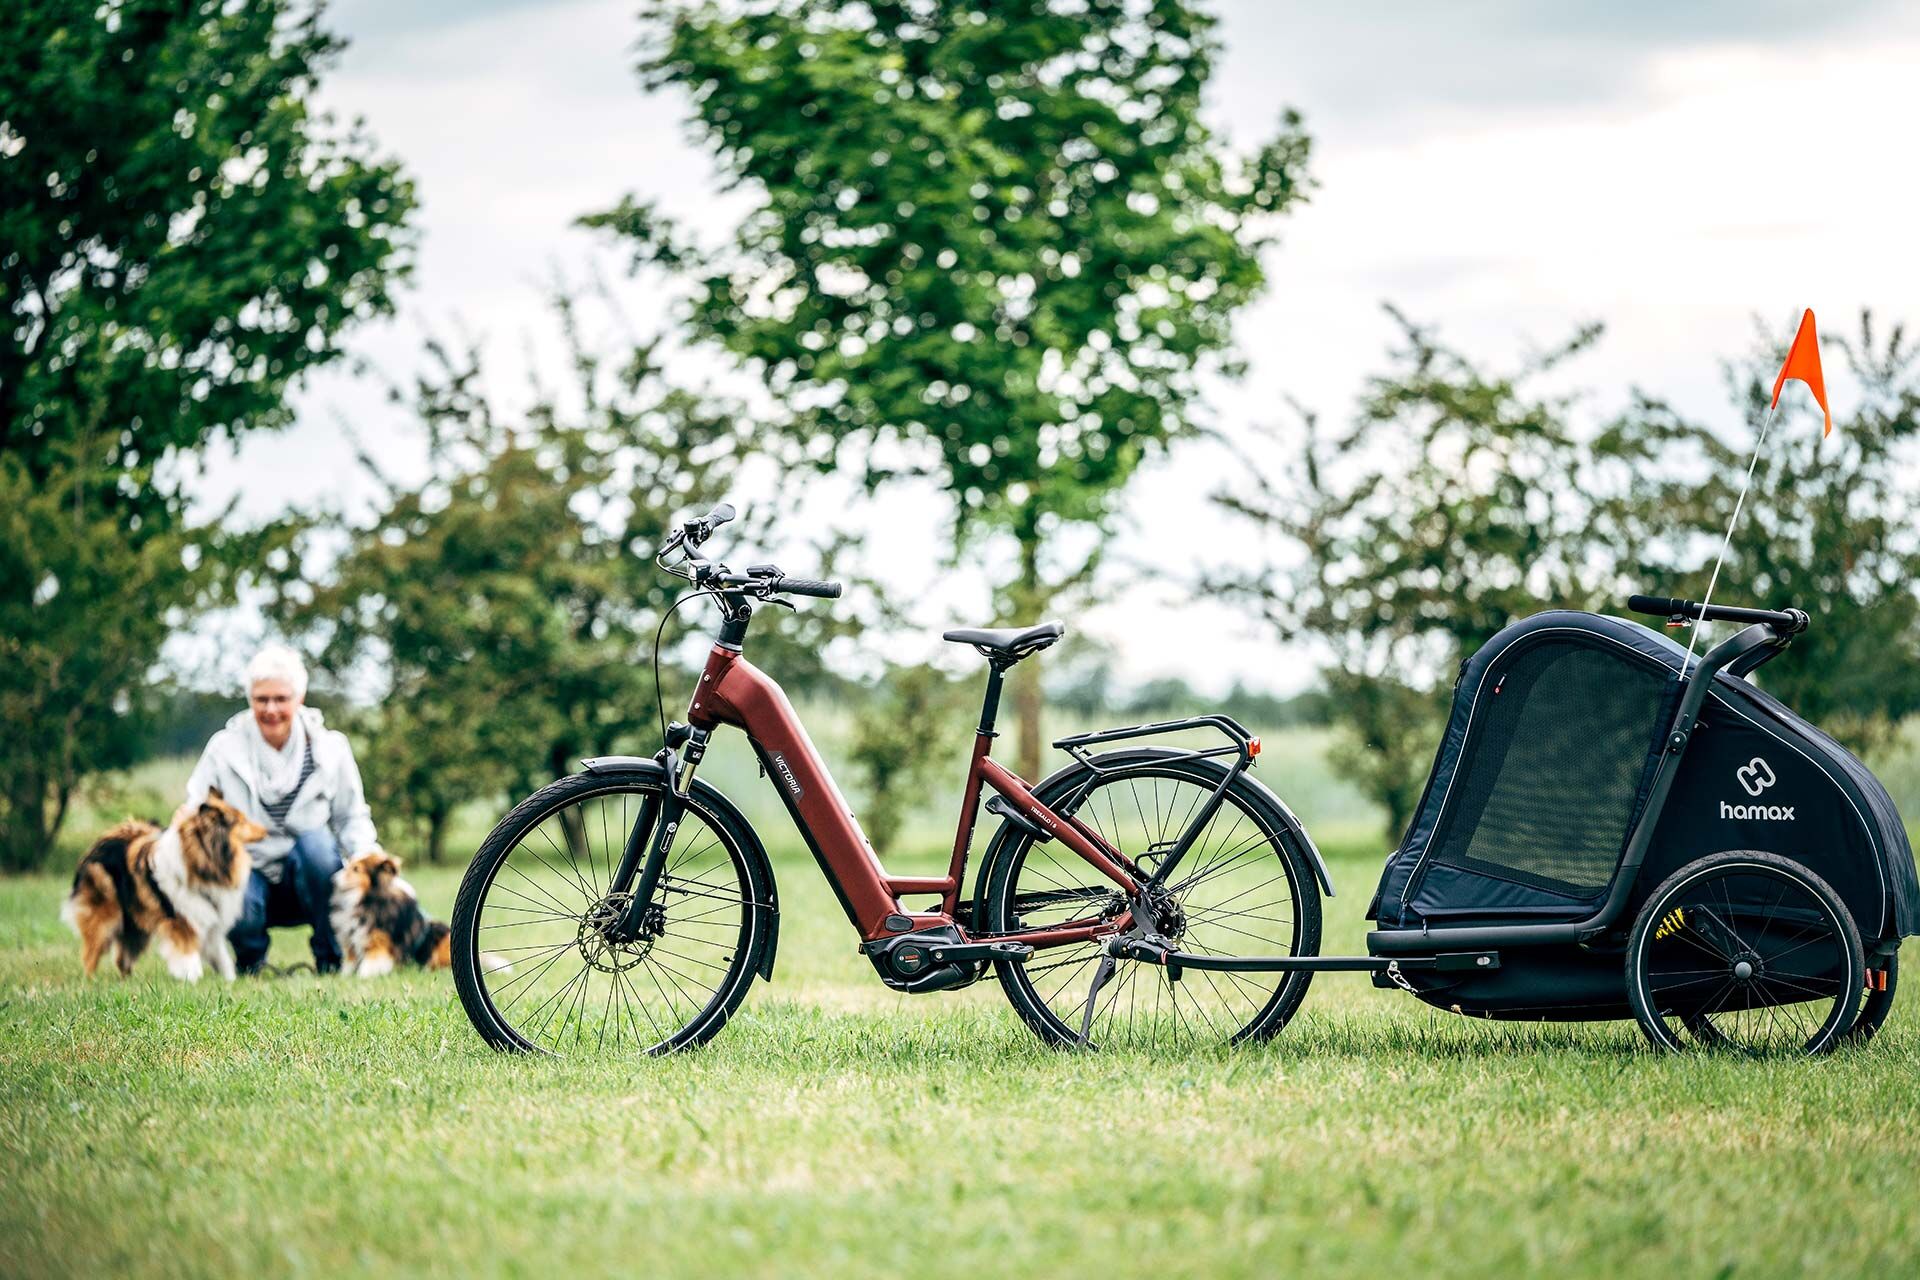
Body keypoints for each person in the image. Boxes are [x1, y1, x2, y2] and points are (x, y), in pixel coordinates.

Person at [183, 644, 378, 974]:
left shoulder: (331, 748)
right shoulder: (223, 748)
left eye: (281, 699)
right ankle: (250, 963)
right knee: (236, 879)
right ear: (250, 700)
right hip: (249, 874)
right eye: (261, 699)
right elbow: (193, 811)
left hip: (311, 877)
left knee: (317, 846)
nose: (271, 708)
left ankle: (330, 958)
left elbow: (351, 816)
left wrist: (369, 861)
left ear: (299, 698)